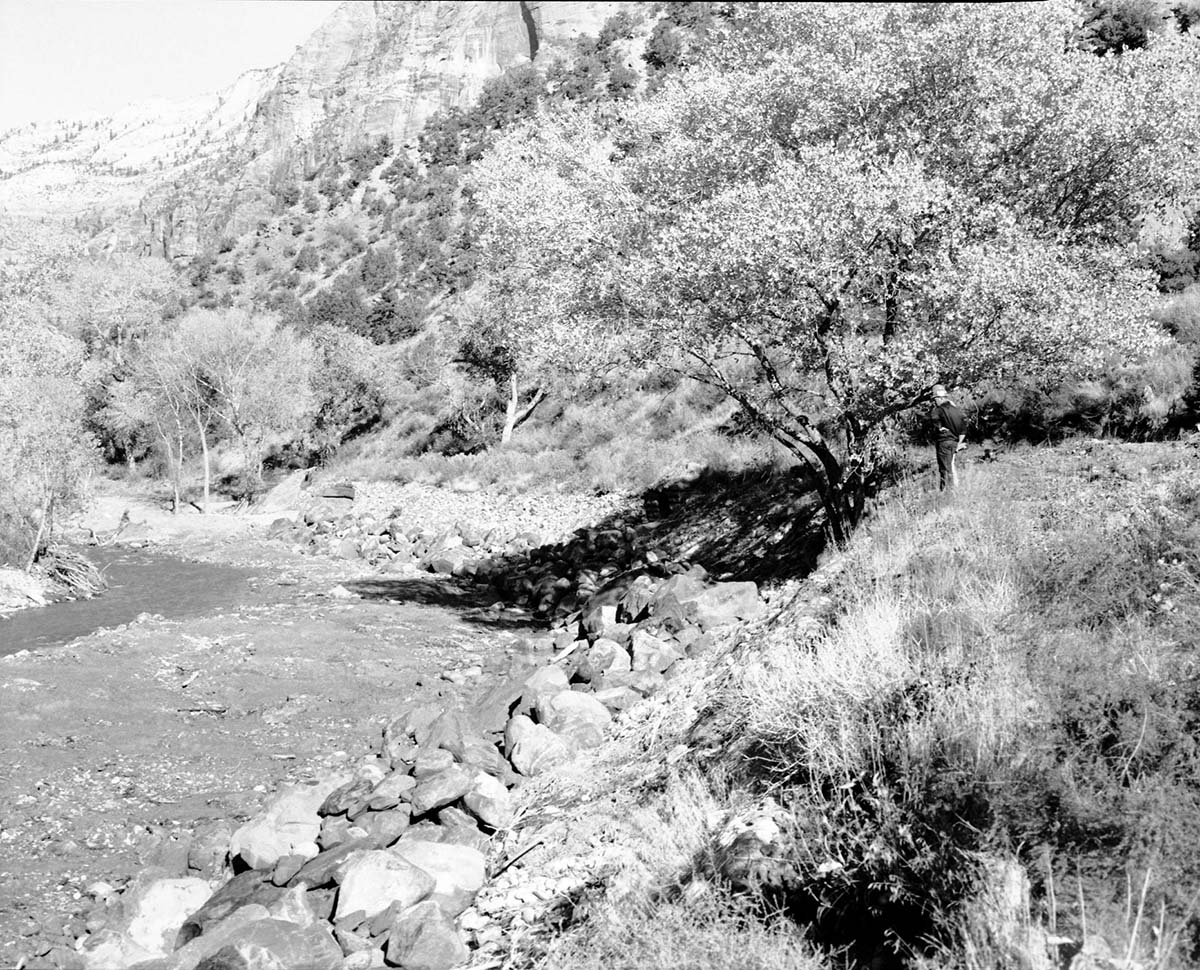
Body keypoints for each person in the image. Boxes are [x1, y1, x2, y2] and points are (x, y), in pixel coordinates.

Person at [928, 384, 966, 490]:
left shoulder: (937, 410)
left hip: (943, 443)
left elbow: (935, 421)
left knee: (945, 469)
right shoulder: (957, 410)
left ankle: (946, 492)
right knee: (951, 467)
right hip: (955, 442)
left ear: (940, 397)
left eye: (935, 398)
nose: (934, 401)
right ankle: (955, 490)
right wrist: (959, 443)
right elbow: (963, 429)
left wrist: (939, 428)